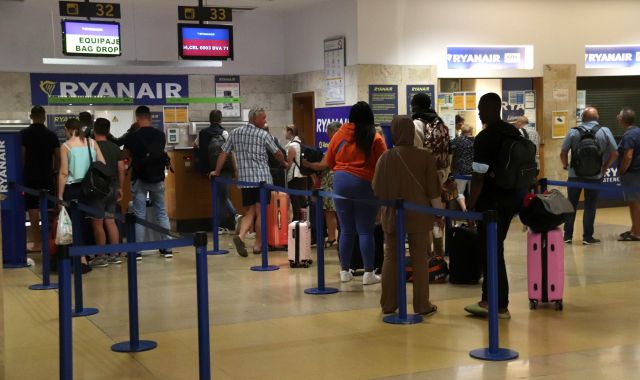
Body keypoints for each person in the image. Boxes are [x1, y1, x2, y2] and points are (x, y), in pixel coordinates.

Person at [373, 115, 443, 316]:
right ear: (413, 132)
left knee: (391, 257)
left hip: (392, 213)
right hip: (419, 213)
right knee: (420, 259)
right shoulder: (425, 156)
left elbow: (377, 190)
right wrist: (438, 214)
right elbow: (433, 192)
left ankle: (388, 304)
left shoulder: (385, 157)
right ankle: (422, 305)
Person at [464, 93, 522, 319]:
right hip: (511, 199)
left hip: (491, 203)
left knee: (492, 251)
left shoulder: (485, 138)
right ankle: (489, 300)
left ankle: (499, 304)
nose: (478, 112)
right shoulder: (513, 132)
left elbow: (478, 176)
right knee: (494, 248)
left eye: (481, 108)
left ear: (491, 108)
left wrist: (471, 205)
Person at [210, 106, 288, 257]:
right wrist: (284, 163)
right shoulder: (263, 134)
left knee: (250, 211)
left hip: (245, 181)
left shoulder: (235, 133)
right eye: (263, 118)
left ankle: (240, 236)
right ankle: (258, 245)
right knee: (261, 213)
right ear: (255, 118)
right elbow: (277, 152)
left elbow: (223, 152)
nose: (265, 121)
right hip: (262, 180)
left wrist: (217, 171)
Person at [325, 101, 387, 285]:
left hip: (340, 182)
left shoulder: (339, 135)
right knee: (366, 230)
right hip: (365, 184)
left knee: (346, 229)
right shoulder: (375, 138)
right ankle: (368, 273)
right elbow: (383, 164)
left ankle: (345, 271)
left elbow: (329, 160)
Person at [560, 106, 618, 245]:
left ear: (582, 118)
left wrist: (566, 166)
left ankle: (567, 236)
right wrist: (604, 167)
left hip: (574, 175)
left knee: (571, 205)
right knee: (590, 206)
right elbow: (615, 153)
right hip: (595, 176)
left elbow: (563, 152)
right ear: (596, 118)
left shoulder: (573, 131)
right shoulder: (604, 131)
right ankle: (587, 237)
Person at [123, 106, 174, 259]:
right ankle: (167, 249)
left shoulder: (133, 136)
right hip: (157, 177)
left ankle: (138, 251)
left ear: (137, 119)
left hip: (139, 178)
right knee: (161, 212)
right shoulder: (160, 135)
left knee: (139, 215)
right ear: (150, 118)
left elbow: (125, 155)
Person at [57, 118, 107, 271]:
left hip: (74, 189)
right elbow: (102, 164)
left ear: (69, 130)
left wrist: (59, 195)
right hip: (91, 188)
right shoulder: (92, 143)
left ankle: (82, 260)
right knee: (93, 222)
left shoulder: (65, 146)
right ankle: (98, 255)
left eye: (65, 130)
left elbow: (64, 172)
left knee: (75, 225)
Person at [411, 92, 450, 256]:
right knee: (437, 217)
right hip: (441, 175)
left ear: (415, 106)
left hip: (423, 179)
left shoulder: (416, 124)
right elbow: (448, 151)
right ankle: (439, 255)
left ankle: (426, 255)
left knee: (423, 219)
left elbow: (417, 153)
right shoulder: (440, 122)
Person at [20, 105, 60, 252]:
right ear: (44, 116)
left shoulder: (24, 134)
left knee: (32, 209)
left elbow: (22, 155)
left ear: (31, 116)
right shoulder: (51, 135)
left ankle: (37, 243)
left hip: (30, 176)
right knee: (48, 209)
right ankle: (49, 243)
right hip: (47, 176)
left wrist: (22, 170)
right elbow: (58, 155)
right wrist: (55, 170)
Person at [194, 109, 238, 233]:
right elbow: (231, 150)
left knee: (219, 196)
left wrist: (204, 168)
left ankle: (221, 224)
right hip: (225, 168)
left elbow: (195, 146)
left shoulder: (202, 133)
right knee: (223, 196)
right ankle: (234, 217)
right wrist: (235, 169)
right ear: (220, 119)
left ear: (210, 119)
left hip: (211, 170)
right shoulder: (224, 132)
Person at [302, 121, 341, 247]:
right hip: (340, 179)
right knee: (338, 210)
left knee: (330, 211)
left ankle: (331, 238)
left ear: (333, 131)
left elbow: (323, 165)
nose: (328, 136)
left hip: (331, 180)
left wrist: (308, 165)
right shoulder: (344, 144)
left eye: (328, 133)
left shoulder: (334, 145)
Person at [93, 118, 125, 265]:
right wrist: (120, 187)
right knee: (111, 221)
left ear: (94, 129)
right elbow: (121, 169)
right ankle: (115, 254)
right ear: (108, 130)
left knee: (98, 223)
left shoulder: (91, 146)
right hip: (113, 187)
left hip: (98, 189)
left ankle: (101, 256)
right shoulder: (115, 148)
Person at [615, 108, 640, 241]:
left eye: (618, 115)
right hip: (637, 172)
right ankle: (634, 228)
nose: (617, 117)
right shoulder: (637, 131)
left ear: (622, 119)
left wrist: (622, 170)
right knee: (635, 202)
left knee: (634, 203)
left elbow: (628, 156)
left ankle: (637, 233)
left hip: (632, 174)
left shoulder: (629, 135)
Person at [285, 124, 309, 220]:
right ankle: (303, 222)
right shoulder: (300, 143)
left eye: (285, 131)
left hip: (294, 176)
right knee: (301, 200)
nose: (284, 133)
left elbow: (289, 163)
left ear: (290, 132)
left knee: (295, 201)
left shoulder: (292, 145)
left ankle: (296, 222)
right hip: (302, 175)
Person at [450, 124, 474, 212]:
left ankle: (464, 209)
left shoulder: (457, 140)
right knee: (472, 193)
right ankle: (472, 212)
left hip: (460, 171)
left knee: (459, 192)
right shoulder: (476, 140)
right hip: (474, 171)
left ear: (462, 131)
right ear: (471, 131)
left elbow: (449, 150)